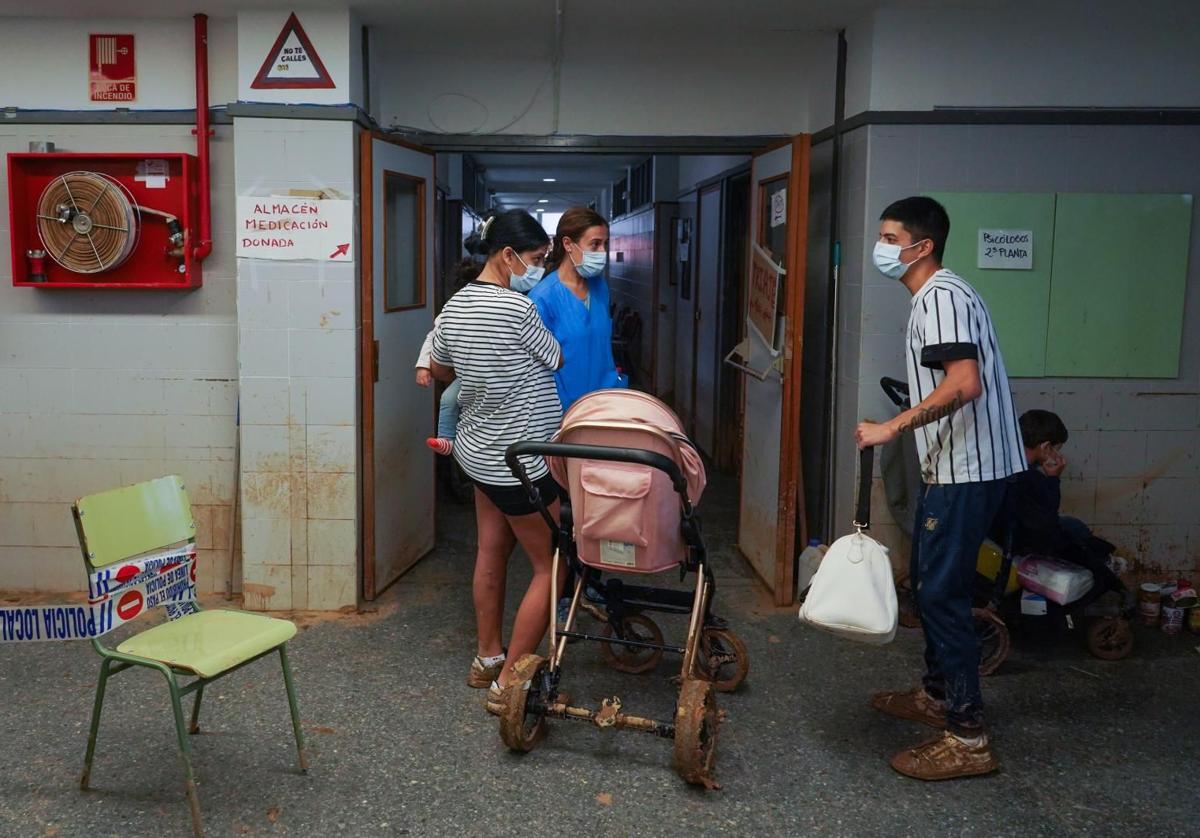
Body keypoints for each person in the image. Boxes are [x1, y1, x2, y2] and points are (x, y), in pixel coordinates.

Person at [855, 196, 1025, 781]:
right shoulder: (937, 296)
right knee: (930, 585)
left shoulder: (943, 297)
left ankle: (968, 737)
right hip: (954, 465)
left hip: (969, 469)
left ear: (921, 246)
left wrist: (891, 427)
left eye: (890, 236)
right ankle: (936, 696)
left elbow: (964, 382)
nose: (881, 247)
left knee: (942, 597)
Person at [428, 209, 564, 708]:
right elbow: (556, 358)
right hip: (522, 461)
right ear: (507, 256)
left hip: (479, 454)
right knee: (552, 564)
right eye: (535, 259)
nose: (539, 269)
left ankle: (487, 657)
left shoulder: (454, 306)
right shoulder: (519, 310)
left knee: (490, 550)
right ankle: (509, 682)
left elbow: (441, 368)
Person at [416, 266, 546, 456]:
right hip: (468, 374)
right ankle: (446, 439)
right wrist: (422, 366)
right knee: (448, 398)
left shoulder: (509, 307)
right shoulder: (452, 312)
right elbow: (432, 337)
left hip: (502, 376)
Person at [1002, 409, 1125, 595]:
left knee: (1073, 525)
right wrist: (1053, 479)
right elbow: (1047, 521)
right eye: (1056, 449)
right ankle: (1103, 569)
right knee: (1076, 529)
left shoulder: (1004, 464)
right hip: (1023, 540)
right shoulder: (1031, 479)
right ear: (1045, 447)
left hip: (1003, 533)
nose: (1056, 455)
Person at [528, 207, 625, 412]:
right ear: (568, 244)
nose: (603, 252)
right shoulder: (542, 298)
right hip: (563, 410)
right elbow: (536, 368)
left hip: (605, 403)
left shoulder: (599, 287)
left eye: (605, 244)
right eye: (595, 244)